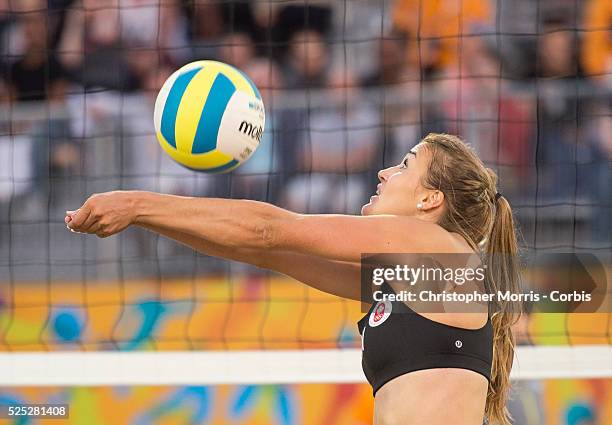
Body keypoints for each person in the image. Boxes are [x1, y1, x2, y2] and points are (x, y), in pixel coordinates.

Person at [65, 133, 519, 425]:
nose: (384, 172)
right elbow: (266, 251)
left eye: (404, 164)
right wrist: (139, 218)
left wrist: (137, 202)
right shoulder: (411, 274)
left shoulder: (430, 246)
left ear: (429, 199)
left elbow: (271, 228)